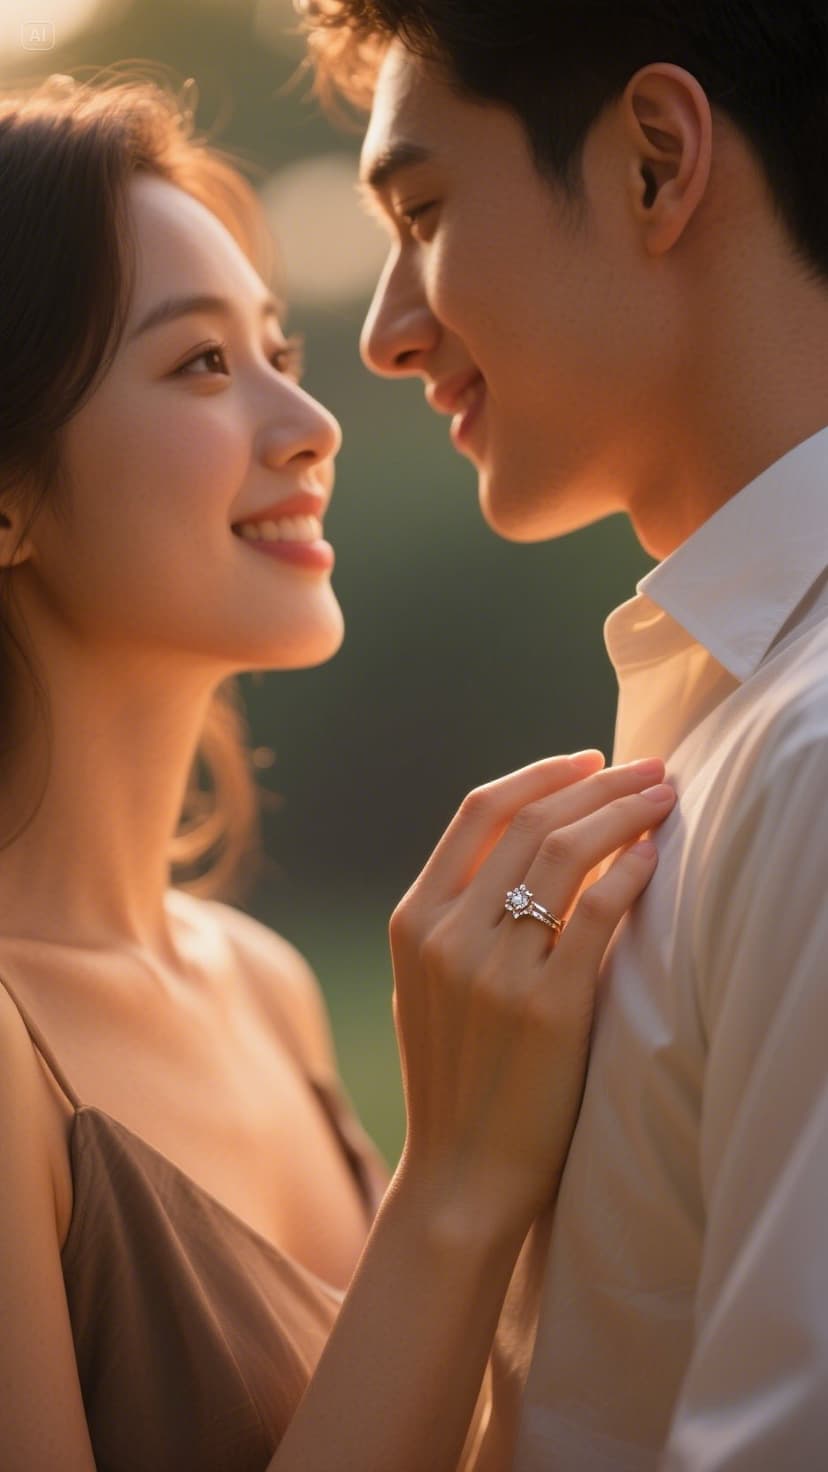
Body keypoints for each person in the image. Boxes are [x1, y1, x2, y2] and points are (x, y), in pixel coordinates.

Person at [0, 70, 676, 1472]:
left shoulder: (268, 988)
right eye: (198, 364)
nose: (311, 429)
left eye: (278, 355)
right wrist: (455, 1187)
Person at [299, 2, 828, 1467]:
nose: (386, 333)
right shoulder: (725, 719)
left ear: (656, 162)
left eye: (422, 210)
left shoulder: (809, 759)